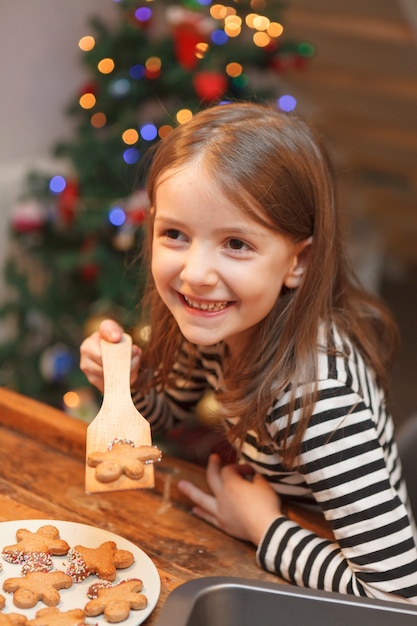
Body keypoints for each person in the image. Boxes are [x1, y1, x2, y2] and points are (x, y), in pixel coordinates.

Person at [80, 101, 417, 603]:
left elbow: (398, 594)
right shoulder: (224, 324)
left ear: (297, 262)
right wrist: (124, 389)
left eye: (236, 243)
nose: (195, 272)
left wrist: (262, 525)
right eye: (175, 234)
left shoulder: (316, 400)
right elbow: (169, 413)